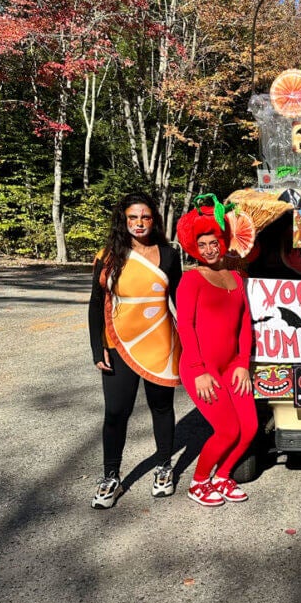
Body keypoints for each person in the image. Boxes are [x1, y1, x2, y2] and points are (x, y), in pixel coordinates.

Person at [88, 192, 181, 509]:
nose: (139, 223)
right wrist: (96, 347)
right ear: (123, 220)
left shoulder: (169, 255)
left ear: (153, 219)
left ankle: (164, 468)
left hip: (161, 343)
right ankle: (111, 477)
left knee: (161, 408)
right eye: (132, 218)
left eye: (145, 217)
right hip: (118, 343)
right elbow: (96, 304)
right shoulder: (109, 255)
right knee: (116, 412)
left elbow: (181, 301)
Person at [176, 197, 257, 507]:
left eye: (213, 242)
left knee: (248, 428)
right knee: (227, 429)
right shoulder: (191, 279)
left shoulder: (236, 277)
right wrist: (198, 371)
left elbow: (244, 324)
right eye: (202, 244)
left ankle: (222, 476)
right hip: (202, 368)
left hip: (231, 367)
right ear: (195, 247)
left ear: (222, 242)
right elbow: (186, 326)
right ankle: (199, 483)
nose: (209, 249)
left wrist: (241, 364)